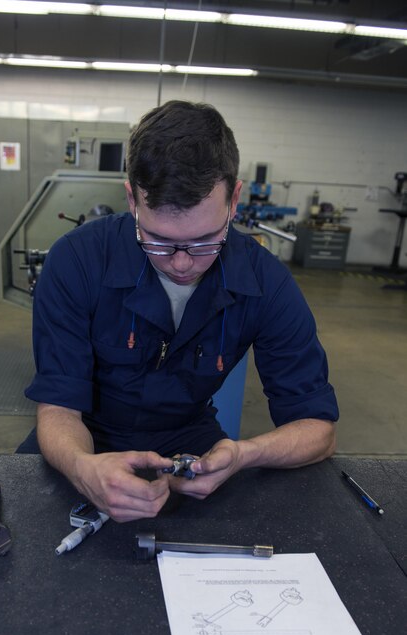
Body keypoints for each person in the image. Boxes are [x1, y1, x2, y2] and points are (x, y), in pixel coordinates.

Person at [20, 100, 338, 522]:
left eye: (207, 240)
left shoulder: (266, 283)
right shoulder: (76, 261)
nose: (183, 262)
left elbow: (317, 428)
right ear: (132, 198)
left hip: (190, 440)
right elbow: (58, 409)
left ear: (235, 199)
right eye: (159, 241)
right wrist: (82, 468)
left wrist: (245, 454)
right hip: (85, 435)